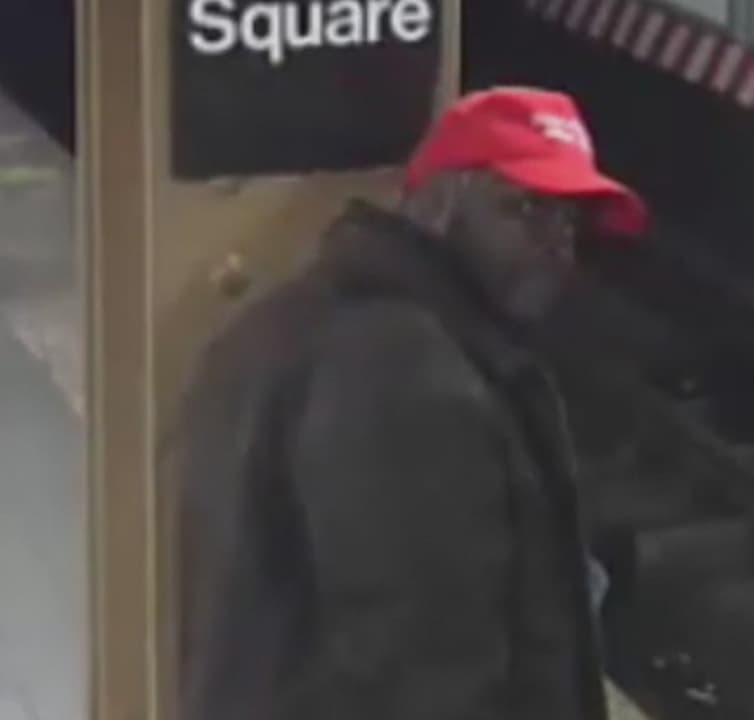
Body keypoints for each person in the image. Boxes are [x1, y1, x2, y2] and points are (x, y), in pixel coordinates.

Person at [171, 86, 648, 720]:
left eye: (568, 223)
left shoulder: (301, 320)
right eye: (526, 209)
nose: (557, 245)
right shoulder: (406, 378)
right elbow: (425, 674)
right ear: (440, 204)